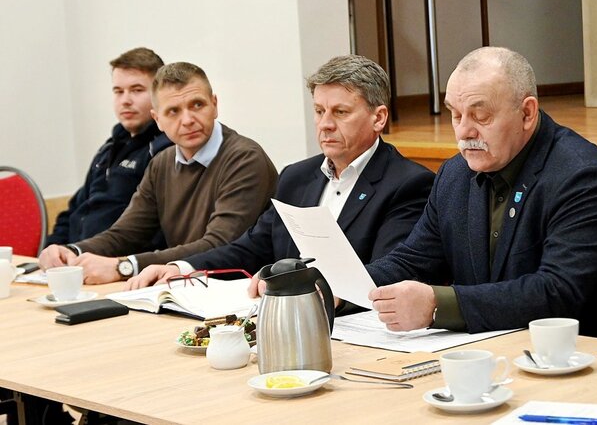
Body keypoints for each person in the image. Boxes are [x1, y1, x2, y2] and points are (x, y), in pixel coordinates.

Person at [366, 46, 597, 343]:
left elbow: (557, 291)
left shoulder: (582, 176)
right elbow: (413, 260)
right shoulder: (455, 174)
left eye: (480, 116)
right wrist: (342, 291)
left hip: (590, 356)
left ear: (527, 113)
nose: (464, 132)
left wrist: (438, 305)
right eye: (456, 115)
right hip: (496, 349)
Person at [125, 54, 435, 316]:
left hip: (355, 330)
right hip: (282, 320)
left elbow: (389, 270)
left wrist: (311, 286)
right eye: (319, 111)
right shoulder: (296, 177)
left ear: (378, 118)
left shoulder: (408, 183)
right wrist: (181, 268)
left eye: (340, 112)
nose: (325, 124)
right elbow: (251, 247)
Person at [39, 62, 278, 284]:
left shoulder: (245, 158)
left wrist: (125, 266)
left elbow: (219, 244)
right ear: (158, 120)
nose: (188, 120)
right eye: (173, 111)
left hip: (236, 293)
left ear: (214, 105)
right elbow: (126, 233)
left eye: (197, 105)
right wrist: (71, 251)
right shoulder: (161, 163)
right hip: (180, 290)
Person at [46, 47, 172, 247]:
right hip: (76, 256)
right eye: (118, 91)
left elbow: (155, 230)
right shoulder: (108, 149)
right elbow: (74, 211)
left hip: (113, 259)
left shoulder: (166, 150)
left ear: (160, 94)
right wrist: (52, 249)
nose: (125, 100)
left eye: (137, 90)